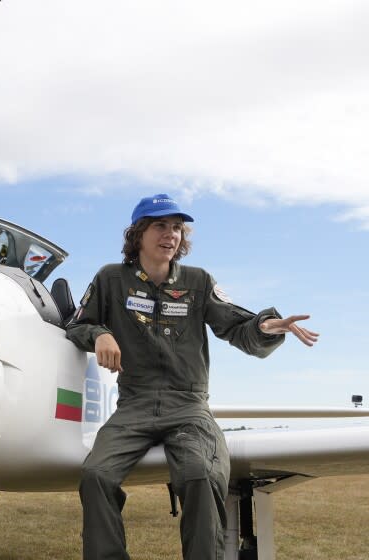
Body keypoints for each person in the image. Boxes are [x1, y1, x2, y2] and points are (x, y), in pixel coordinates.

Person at [65, 194, 318, 560]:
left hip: (188, 407)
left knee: (201, 474)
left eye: (177, 228)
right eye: (160, 226)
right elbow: (78, 325)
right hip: (134, 405)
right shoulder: (110, 279)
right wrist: (100, 334)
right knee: (96, 476)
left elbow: (237, 326)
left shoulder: (199, 283)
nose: (171, 235)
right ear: (138, 234)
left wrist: (265, 327)